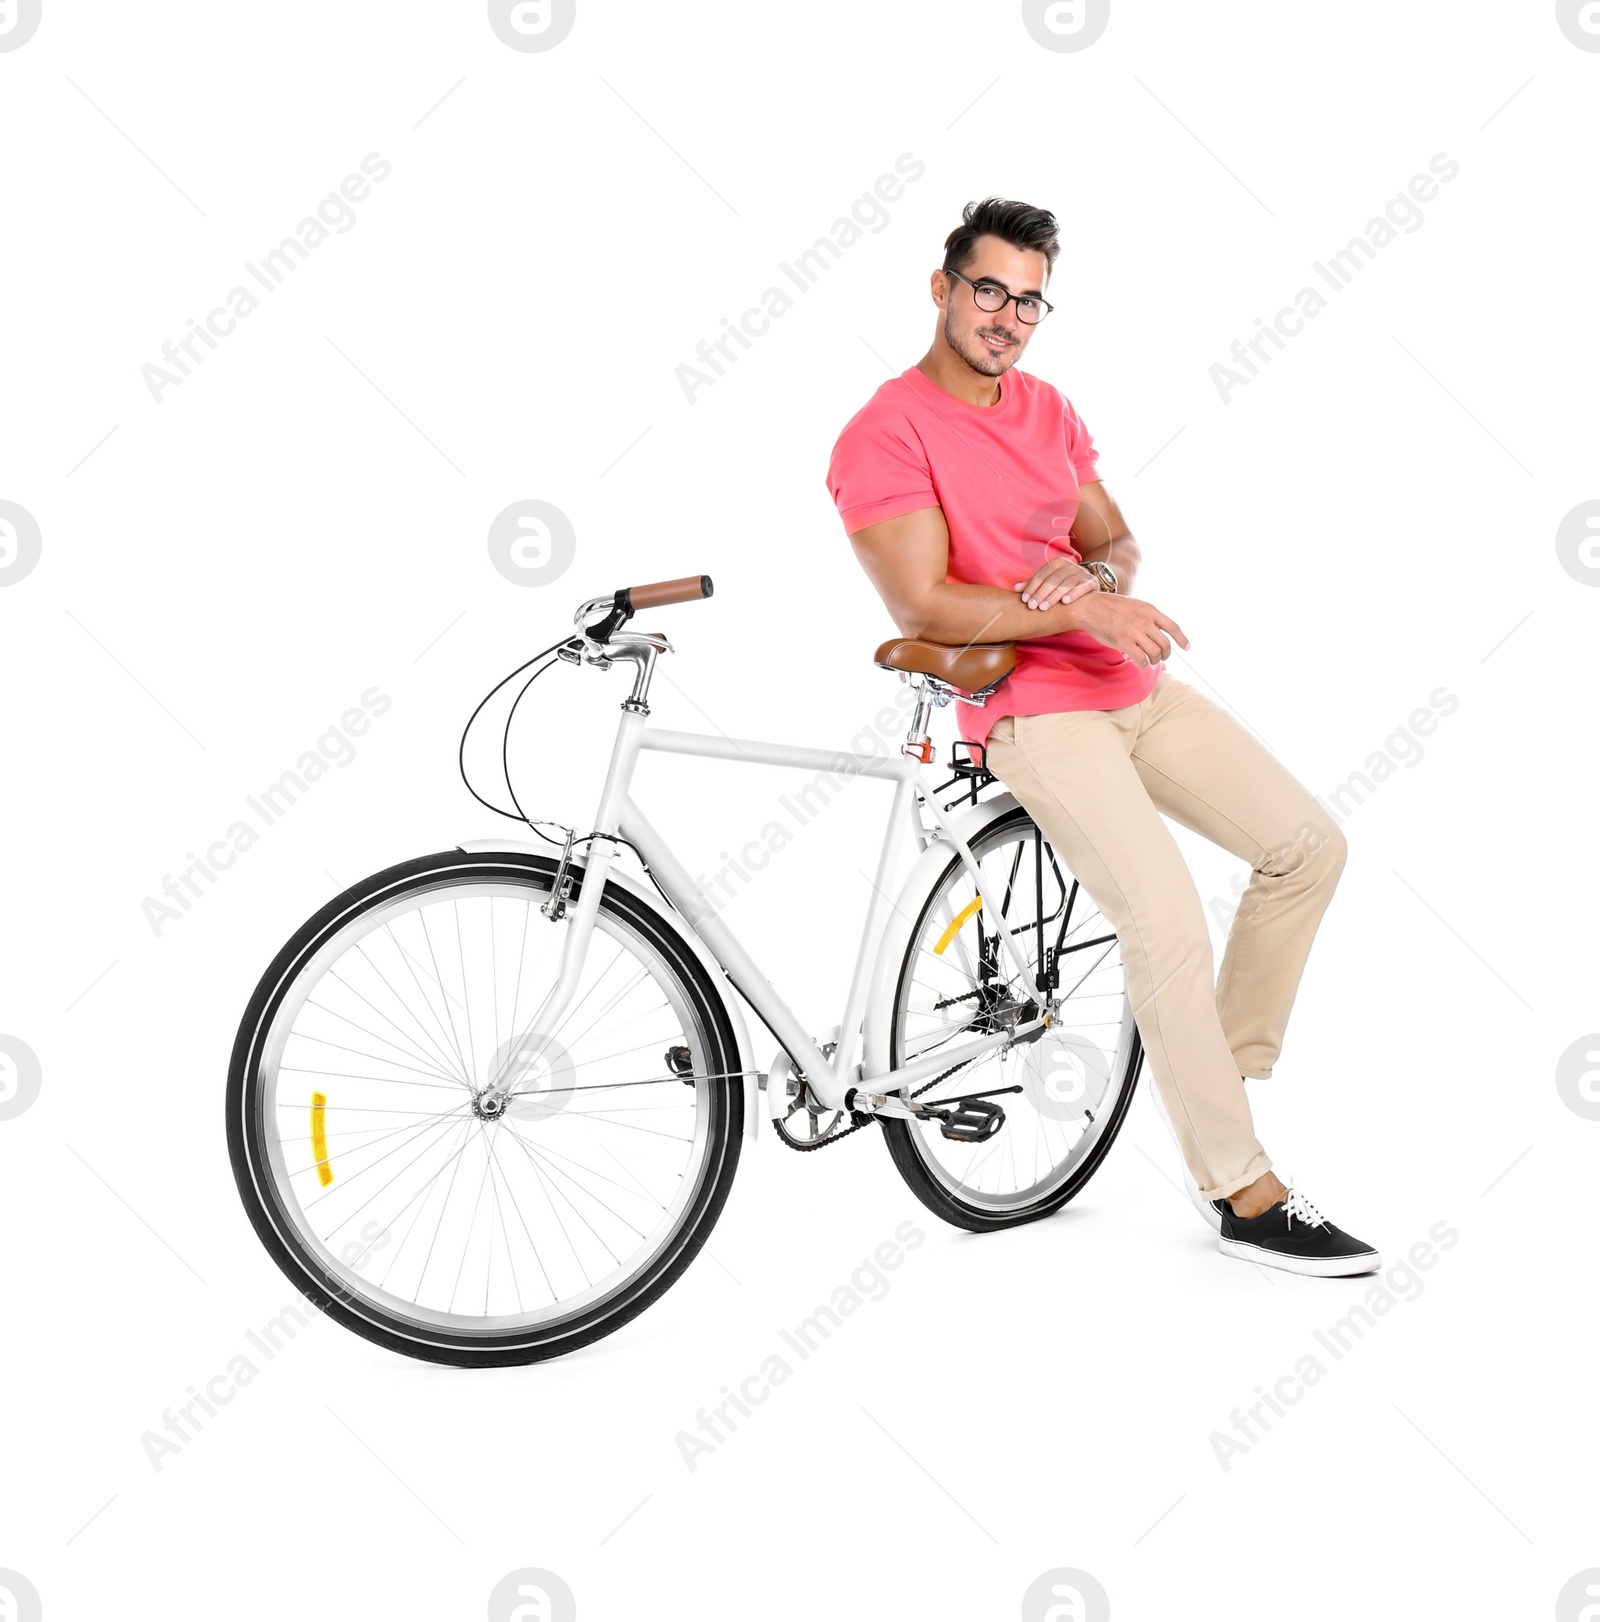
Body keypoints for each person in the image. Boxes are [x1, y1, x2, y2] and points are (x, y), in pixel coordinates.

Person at [825, 196, 1378, 1277]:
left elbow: (1115, 539)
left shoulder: (1046, 408)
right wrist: (1078, 608)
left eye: (1029, 301)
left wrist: (1099, 578)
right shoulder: (884, 429)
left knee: (1307, 847)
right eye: (989, 291)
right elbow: (922, 604)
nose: (1008, 317)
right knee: (1165, 921)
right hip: (1030, 707)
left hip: (1130, 683)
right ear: (941, 289)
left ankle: (1210, 1066)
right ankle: (1240, 1188)